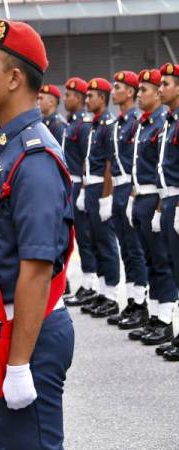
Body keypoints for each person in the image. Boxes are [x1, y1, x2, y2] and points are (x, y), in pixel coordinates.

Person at [0, 20, 75, 448]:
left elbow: (36, 267)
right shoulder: (7, 146)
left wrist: (18, 364)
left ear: (14, 78)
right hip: (3, 329)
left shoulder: (34, 157)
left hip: (26, 333)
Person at [128, 69, 177, 345]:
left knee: (164, 262)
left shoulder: (165, 121)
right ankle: (158, 318)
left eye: (160, 86)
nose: (147, 93)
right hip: (150, 198)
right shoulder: (157, 123)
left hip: (166, 198)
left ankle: (167, 319)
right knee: (153, 259)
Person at [107, 70, 149, 327]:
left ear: (130, 92)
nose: (114, 91)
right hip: (119, 190)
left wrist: (132, 192)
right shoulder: (121, 122)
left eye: (118, 87)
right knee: (126, 248)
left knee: (136, 250)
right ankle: (133, 301)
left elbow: (137, 161)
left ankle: (141, 303)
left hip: (131, 188)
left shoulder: (136, 121)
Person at [80, 77, 121, 317]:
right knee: (95, 240)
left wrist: (106, 197)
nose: (88, 100)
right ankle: (104, 292)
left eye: (91, 96)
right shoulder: (95, 125)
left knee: (106, 243)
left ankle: (113, 296)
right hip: (92, 187)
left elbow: (108, 164)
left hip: (102, 188)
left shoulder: (108, 124)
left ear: (102, 99)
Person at [61, 77, 100, 306]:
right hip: (72, 185)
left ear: (79, 98)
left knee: (87, 236)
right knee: (81, 238)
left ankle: (92, 284)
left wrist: (84, 188)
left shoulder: (84, 125)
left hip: (82, 184)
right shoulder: (72, 123)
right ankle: (87, 283)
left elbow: (88, 159)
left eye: (69, 95)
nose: (66, 98)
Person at [156, 62, 179, 361]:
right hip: (168, 198)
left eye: (166, 84)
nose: (161, 89)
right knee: (174, 268)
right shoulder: (171, 121)